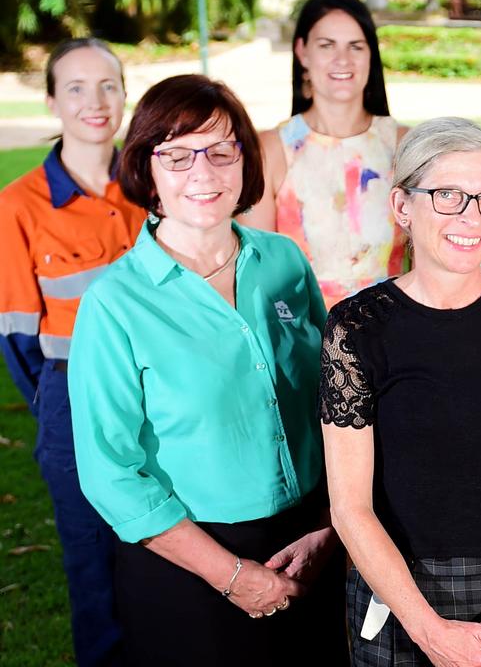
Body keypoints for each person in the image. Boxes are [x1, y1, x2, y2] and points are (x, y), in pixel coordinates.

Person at [67, 74, 345, 665]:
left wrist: (329, 521)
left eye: (222, 151)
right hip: (189, 561)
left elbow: (331, 398)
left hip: (310, 542)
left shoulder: (284, 262)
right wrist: (231, 575)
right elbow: (111, 474)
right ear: (147, 167)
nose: (204, 172)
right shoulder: (114, 304)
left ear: (245, 161)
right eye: (177, 154)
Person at [321, 117, 481, 667]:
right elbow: (350, 509)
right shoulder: (357, 327)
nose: (472, 217)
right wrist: (431, 632)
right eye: (448, 196)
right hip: (404, 595)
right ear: (402, 207)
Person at [0, 37, 142, 666]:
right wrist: (58, 404)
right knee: (95, 567)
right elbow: (16, 335)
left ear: (124, 94)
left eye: (108, 85)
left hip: (163, 392)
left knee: (167, 555)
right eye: (77, 88)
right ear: (53, 101)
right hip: (71, 397)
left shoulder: (154, 185)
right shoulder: (18, 206)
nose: (96, 101)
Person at [241, 0, 407, 307]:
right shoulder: (270, 150)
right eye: (326, 45)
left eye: (356, 46)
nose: (342, 59)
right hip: (302, 341)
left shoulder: (404, 145)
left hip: (394, 339)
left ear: (371, 55)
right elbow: (257, 274)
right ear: (302, 51)